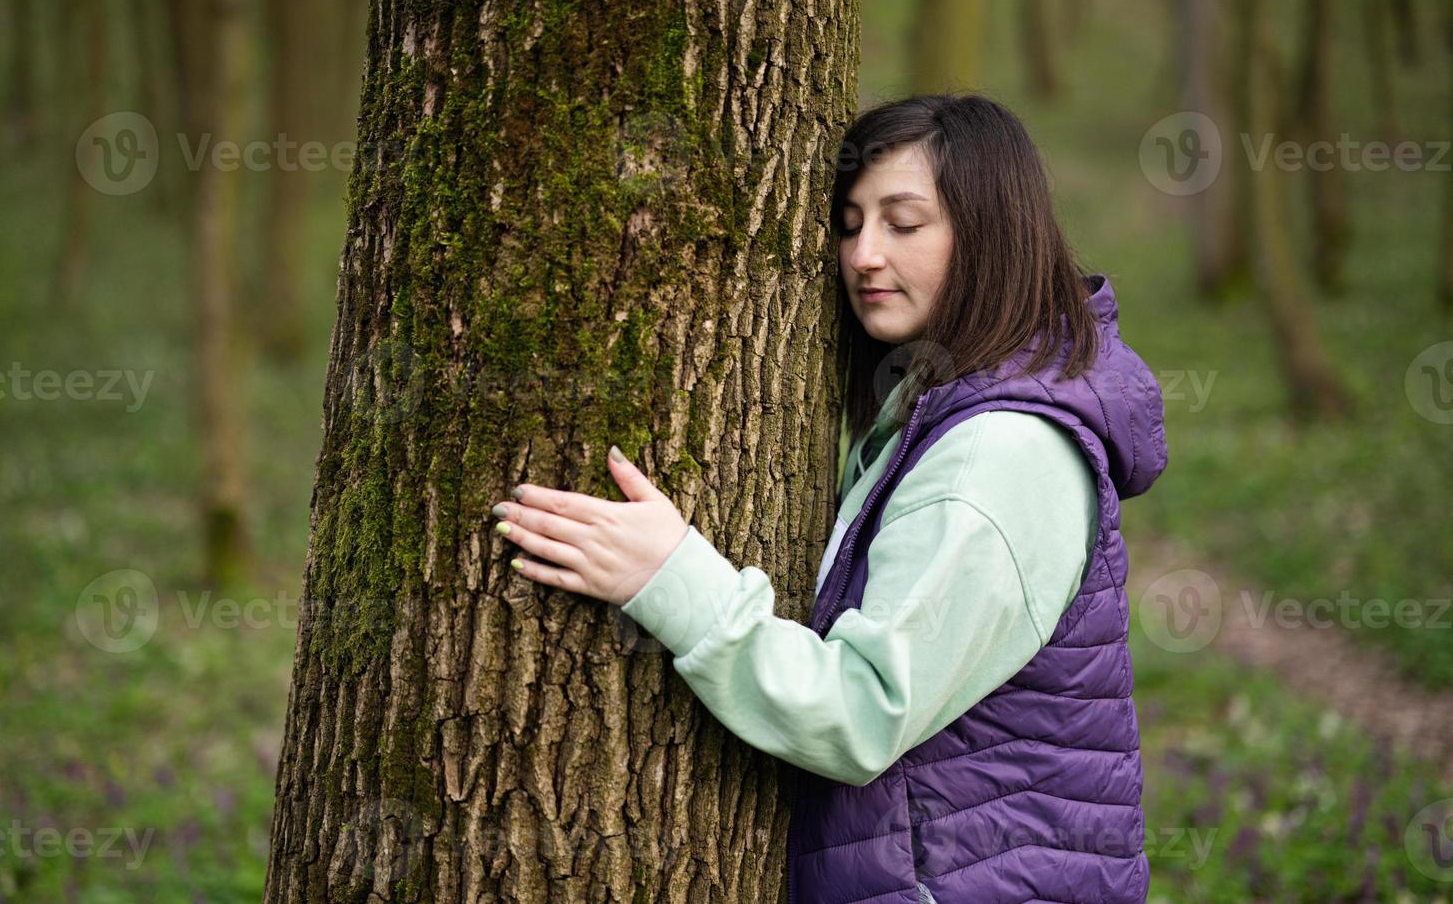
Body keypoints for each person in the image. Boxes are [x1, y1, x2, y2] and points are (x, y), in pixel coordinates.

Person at [489, 93, 1168, 903]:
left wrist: (671, 579)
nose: (864, 256)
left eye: (903, 223)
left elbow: (863, 712)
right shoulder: (940, 405)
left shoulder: (1001, 454)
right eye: (849, 224)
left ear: (991, 234)